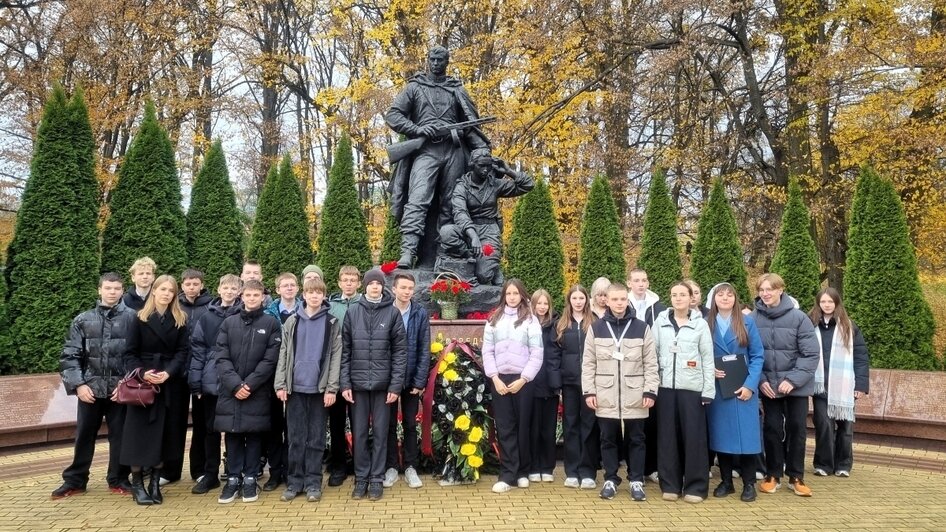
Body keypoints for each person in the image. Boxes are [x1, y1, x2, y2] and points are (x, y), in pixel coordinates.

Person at [385, 45, 491, 269]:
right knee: (417, 199)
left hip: (453, 151)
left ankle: (446, 253)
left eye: (440, 60)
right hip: (426, 151)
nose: (435, 63)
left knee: (452, 204)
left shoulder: (456, 89)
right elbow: (393, 115)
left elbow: (471, 125)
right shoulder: (415, 87)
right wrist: (417, 129)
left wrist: (483, 152)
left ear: (446, 62)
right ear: (428, 60)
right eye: (432, 59)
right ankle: (408, 251)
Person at [53, 273, 137, 500]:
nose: (112, 292)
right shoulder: (83, 319)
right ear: (99, 290)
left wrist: (127, 383)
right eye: (108, 288)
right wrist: (79, 385)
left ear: (122, 291)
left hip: (120, 391)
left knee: (120, 437)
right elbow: (70, 356)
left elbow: (137, 356)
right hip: (89, 390)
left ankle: (119, 478)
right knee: (84, 436)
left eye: (117, 288)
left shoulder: (134, 319)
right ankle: (75, 480)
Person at [582, 282, 658, 502]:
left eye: (623, 299)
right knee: (607, 439)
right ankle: (611, 478)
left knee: (637, 439)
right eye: (614, 299)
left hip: (636, 395)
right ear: (606, 300)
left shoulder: (641, 327)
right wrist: (589, 392)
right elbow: (588, 363)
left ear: (628, 300)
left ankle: (636, 480)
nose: (619, 303)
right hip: (605, 395)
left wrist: (650, 391)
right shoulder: (596, 328)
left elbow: (651, 363)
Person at [118, 275, 188, 505]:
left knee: (165, 435)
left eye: (171, 290)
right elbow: (129, 353)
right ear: (154, 291)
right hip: (143, 385)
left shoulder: (180, 318)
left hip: (169, 384)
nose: (167, 294)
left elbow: (182, 352)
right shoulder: (138, 318)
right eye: (163, 289)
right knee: (139, 435)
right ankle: (137, 483)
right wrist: (142, 373)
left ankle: (155, 483)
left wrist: (168, 372)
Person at [340, 268, 407, 501]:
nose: (375, 287)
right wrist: (345, 383)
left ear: (383, 286)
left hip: (383, 387)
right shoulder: (352, 313)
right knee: (358, 434)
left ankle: (376, 478)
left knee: (380, 433)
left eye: (379, 283)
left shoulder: (393, 313)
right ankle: (361, 478)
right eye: (371, 283)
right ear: (365, 286)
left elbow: (400, 353)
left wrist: (394, 386)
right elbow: (345, 351)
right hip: (357, 386)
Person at [213, 280, 281, 504]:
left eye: (256, 295)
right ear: (242, 296)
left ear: (263, 297)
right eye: (248, 295)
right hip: (231, 391)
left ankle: (251, 477)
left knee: (253, 435)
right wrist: (235, 384)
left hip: (257, 390)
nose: (252, 298)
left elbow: (270, 360)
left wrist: (249, 385)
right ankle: (233, 478)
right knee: (232, 435)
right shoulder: (228, 323)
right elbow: (221, 356)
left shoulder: (271, 323)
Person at [752, 273, 819, 497]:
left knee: (797, 430)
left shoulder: (799, 318)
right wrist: (760, 381)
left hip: (795, 387)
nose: (765, 293)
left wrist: (792, 380)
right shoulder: (753, 319)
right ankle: (772, 475)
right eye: (762, 289)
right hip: (769, 387)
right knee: (771, 429)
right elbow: (750, 354)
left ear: (781, 290)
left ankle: (796, 477)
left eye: (770, 289)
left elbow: (810, 354)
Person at [275, 277, 342, 502]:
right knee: (295, 438)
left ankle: (313, 482)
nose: (314, 296)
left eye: (318, 293)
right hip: (295, 390)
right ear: (303, 295)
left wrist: (332, 389)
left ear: (324, 296)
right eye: (310, 293)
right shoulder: (292, 322)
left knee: (315, 439)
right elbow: (283, 354)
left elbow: (335, 358)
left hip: (319, 390)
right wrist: (281, 384)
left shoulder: (332, 323)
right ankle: (294, 482)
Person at [652, 282, 715, 503]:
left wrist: (708, 391)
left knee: (694, 439)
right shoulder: (660, 323)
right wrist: (652, 388)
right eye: (674, 295)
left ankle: (695, 487)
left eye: (682, 295)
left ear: (691, 299)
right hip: (665, 389)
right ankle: (670, 484)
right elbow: (652, 355)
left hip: (692, 390)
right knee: (668, 438)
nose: (678, 298)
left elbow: (708, 359)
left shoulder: (701, 325)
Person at [704, 282, 764, 503]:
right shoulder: (705, 324)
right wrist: (708, 368)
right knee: (722, 436)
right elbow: (698, 353)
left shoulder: (747, 322)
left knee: (746, 438)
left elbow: (758, 356)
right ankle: (726, 481)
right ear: (714, 298)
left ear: (735, 299)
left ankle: (749, 484)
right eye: (721, 294)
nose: (725, 298)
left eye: (730, 294)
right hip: (719, 390)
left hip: (743, 390)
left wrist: (750, 385)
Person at [438, 148, 534, 285]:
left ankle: (492, 267)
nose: (485, 170)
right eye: (481, 165)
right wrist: (473, 236)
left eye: (488, 166)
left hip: (489, 230)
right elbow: (460, 213)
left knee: (483, 276)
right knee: (446, 233)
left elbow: (528, 185)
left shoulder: (495, 184)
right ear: (472, 164)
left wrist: (508, 171)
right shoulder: (462, 186)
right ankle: (470, 255)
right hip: (468, 229)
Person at [482, 279, 543, 493]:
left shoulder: (530, 320)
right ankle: (507, 474)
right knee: (505, 427)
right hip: (500, 380)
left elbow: (537, 353)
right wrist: (495, 378)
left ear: (522, 295)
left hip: (523, 381)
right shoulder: (493, 319)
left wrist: (524, 379)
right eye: (508, 293)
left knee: (523, 427)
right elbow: (487, 352)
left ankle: (523, 471)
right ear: (504, 295)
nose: (512, 297)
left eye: (516, 293)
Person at [188, 274, 243, 495]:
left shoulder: (244, 314)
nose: (229, 291)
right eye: (225, 287)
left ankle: (233, 472)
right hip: (210, 383)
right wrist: (196, 383)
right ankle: (210, 474)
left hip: (234, 383)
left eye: (233, 288)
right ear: (218, 289)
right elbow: (198, 351)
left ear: (239, 291)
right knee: (210, 431)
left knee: (234, 430)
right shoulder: (206, 317)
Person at [808, 287, 869, 478]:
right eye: (823, 302)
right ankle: (823, 464)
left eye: (830, 302)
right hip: (820, 386)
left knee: (845, 428)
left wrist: (860, 385)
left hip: (844, 386)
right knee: (823, 426)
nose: (827, 305)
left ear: (837, 303)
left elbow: (860, 357)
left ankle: (843, 464)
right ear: (818, 304)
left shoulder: (849, 327)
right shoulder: (810, 325)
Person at [383, 272, 430, 489]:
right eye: (403, 288)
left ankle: (411, 467)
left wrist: (420, 381)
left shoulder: (420, 313)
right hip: (389, 380)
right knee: (389, 424)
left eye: (410, 288)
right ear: (394, 289)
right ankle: (392, 466)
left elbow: (424, 349)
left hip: (411, 379)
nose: (407, 292)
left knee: (411, 424)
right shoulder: (384, 311)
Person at [260, 272, 302, 491]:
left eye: (292, 285)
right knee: (275, 427)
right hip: (273, 377)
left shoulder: (307, 311)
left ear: (298, 288)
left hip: (299, 378)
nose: (289, 288)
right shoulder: (268, 314)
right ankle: (275, 472)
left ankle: (293, 470)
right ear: (277, 290)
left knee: (295, 429)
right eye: (284, 285)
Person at [556, 285, 598, 490]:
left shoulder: (595, 323)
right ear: (569, 300)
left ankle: (588, 471)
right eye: (575, 298)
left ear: (586, 300)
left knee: (589, 426)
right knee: (570, 426)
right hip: (570, 383)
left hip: (591, 384)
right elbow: (556, 354)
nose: (579, 301)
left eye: (582, 298)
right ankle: (572, 472)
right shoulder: (562, 324)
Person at [176, 268, 213, 485]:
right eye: (188, 284)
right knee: (176, 423)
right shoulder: (175, 305)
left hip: (202, 372)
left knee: (202, 424)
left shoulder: (210, 306)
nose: (192, 287)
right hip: (178, 373)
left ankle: (200, 469)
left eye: (195, 284)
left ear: (201, 285)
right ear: (182, 286)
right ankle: (170, 469)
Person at [327, 265, 362, 487]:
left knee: (359, 423)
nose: (349, 283)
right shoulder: (330, 306)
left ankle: (360, 465)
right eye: (345, 280)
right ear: (339, 283)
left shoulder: (364, 304)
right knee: (336, 422)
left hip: (358, 371)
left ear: (359, 283)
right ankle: (339, 465)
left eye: (353, 280)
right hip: (335, 371)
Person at [527, 289, 561, 483]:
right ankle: (533, 466)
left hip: (550, 384)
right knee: (533, 428)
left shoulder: (556, 325)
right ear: (533, 304)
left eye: (545, 303)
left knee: (548, 430)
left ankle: (547, 467)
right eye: (538, 303)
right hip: (531, 384)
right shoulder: (526, 324)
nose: (542, 307)